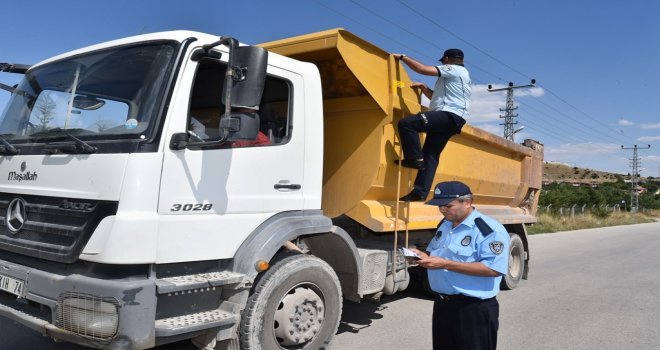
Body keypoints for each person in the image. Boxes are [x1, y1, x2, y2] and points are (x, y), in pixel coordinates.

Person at [409, 181, 509, 350]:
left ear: (467, 202)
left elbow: (493, 269)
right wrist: (420, 256)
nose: (442, 210)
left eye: (448, 206)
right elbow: (436, 254)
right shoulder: (445, 225)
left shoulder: (488, 230)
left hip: (473, 309)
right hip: (443, 305)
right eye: (439, 206)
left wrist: (445, 264)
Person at [393, 49, 471, 202]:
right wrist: (424, 88)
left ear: (447, 59)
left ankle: (414, 158)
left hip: (448, 115)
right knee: (431, 155)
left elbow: (422, 69)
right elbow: (437, 97)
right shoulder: (461, 76)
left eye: (442, 61)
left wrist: (403, 57)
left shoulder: (454, 69)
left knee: (407, 124)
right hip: (453, 118)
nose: (442, 64)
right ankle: (419, 193)